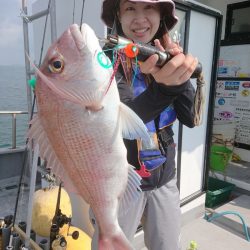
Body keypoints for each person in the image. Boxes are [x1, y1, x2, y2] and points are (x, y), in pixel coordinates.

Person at [90, 0, 198, 249]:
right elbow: (121, 122)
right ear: (118, 13)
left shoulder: (169, 57)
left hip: (165, 179)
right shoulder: (105, 60)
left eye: (149, 8)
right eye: (130, 8)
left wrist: (179, 80)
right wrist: (165, 88)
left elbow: (190, 118)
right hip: (119, 185)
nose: (140, 19)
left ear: (161, 15)